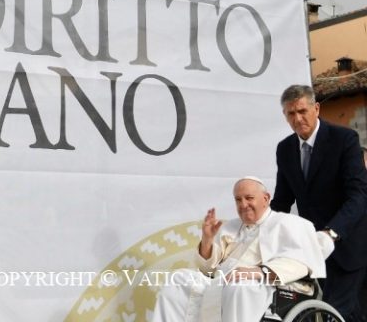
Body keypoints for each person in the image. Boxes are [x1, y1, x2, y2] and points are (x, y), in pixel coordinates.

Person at [151, 177, 327, 322]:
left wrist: (257, 272)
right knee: (178, 279)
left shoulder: (289, 223)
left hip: (266, 284)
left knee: (240, 286)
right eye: (238, 199)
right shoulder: (230, 227)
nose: (243, 204)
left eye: (249, 198)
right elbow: (207, 268)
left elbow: (302, 261)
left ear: (266, 198)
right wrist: (207, 239)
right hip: (223, 281)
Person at [271, 84, 367, 321]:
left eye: (302, 111)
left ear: (316, 108)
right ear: (285, 115)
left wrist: (332, 232)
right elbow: (282, 201)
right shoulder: (285, 149)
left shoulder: (344, 139)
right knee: (350, 314)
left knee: (332, 313)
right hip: (315, 252)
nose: (298, 118)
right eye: (291, 113)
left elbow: (358, 194)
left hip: (349, 244)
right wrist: (258, 228)